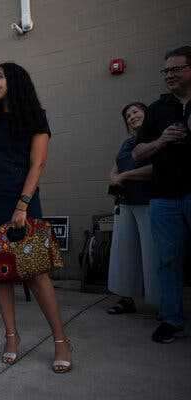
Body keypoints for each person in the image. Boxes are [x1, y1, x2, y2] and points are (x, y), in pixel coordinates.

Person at [0, 62, 72, 373]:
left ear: (15, 81)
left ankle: (60, 340)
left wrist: (23, 204)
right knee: (0, 272)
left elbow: (37, 164)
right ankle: (11, 337)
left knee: (36, 272)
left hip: (20, 199)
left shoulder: (34, 116)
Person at [132, 46, 191, 344]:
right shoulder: (158, 109)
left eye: (175, 69)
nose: (169, 75)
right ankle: (171, 319)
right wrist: (162, 140)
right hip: (164, 197)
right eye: (165, 70)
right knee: (167, 260)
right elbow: (138, 152)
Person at [107, 102, 159, 315]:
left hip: (148, 201)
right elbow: (115, 167)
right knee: (123, 253)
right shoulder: (127, 142)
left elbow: (158, 169)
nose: (132, 117)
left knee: (152, 254)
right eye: (128, 115)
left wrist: (126, 176)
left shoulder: (156, 139)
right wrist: (113, 177)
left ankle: (161, 304)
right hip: (125, 202)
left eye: (135, 112)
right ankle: (126, 299)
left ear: (146, 114)